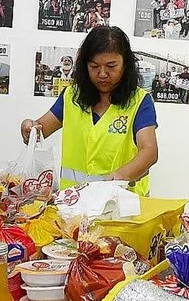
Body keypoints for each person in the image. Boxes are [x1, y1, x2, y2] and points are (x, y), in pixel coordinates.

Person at [20, 26, 159, 196]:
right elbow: (40, 128)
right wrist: (29, 128)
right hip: (74, 205)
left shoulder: (140, 102)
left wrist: (121, 176)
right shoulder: (72, 96)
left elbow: (149, 150)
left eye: (111, 66)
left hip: (122, 205)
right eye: (94, 66)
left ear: (126, 65)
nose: (102, 74)